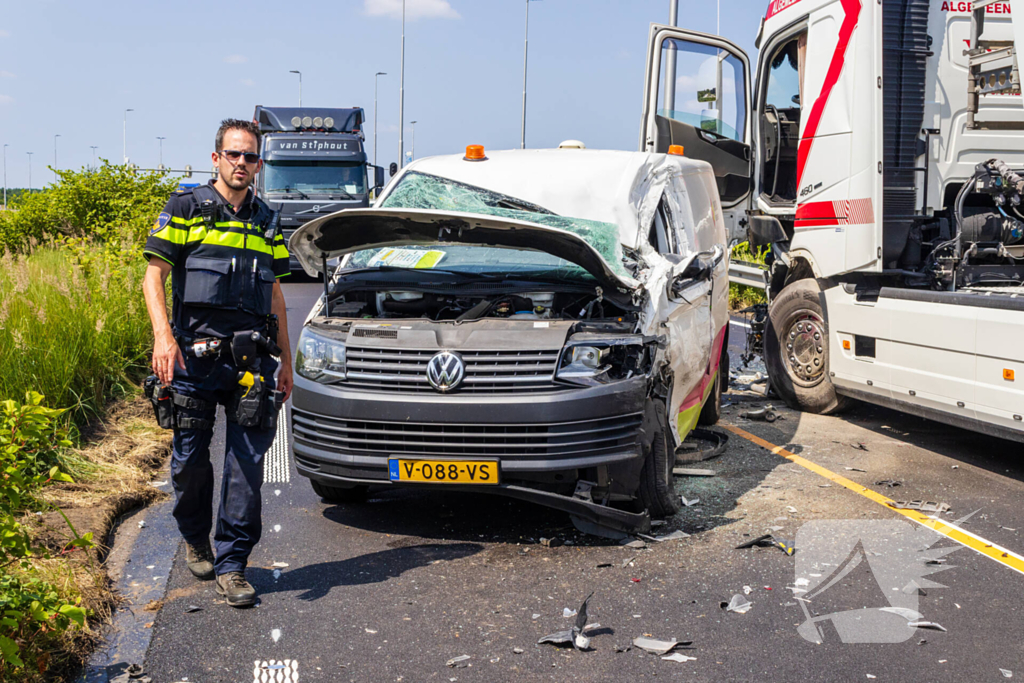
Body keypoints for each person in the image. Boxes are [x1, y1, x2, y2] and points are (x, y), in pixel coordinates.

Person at [141, 119, 293, 607]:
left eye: (250, 157)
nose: (241, 164)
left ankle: (233, 564)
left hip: (251, 363)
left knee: (246, 466)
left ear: (259, 164)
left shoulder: (267, 219)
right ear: (216, 158)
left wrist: (286, 361)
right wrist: (163, 338)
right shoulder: (185, 208)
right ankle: (194, 538)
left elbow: (275, 295)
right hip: (192, 357)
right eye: (233, 155)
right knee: (188, 463)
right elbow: (153, 277)